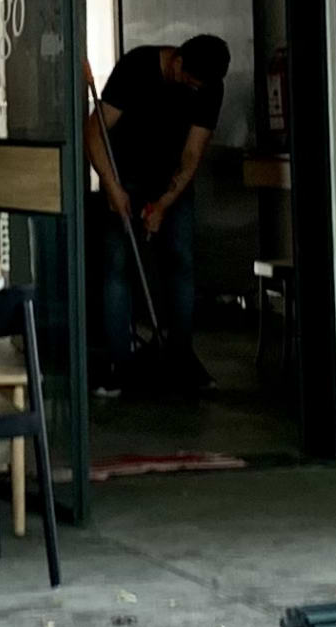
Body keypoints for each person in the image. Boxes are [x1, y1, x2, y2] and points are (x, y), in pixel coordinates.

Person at [85, 33, 229, 383]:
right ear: (177, 60)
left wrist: (164, 203)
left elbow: (193, 152)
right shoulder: (136, 67)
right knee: (118, 264)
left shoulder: (209, 87)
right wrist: (111, 185)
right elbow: (94, 130)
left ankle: (181, 354)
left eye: (199, 86)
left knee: (180, 260)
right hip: (124, 174)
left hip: (169, 181)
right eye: (189, 81)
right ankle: (119, 362)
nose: (192, 89)